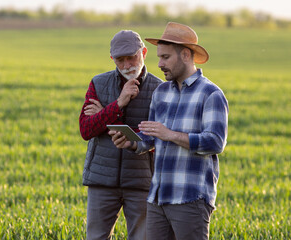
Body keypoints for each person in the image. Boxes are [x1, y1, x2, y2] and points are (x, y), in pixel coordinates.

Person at [110, 22, 229, 240]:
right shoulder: (161, 92)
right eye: (159, 57)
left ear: (185, 55)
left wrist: (170, 135)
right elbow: (152, 137)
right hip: (157, 197)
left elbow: (215, 142)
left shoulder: (211, 94)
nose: (159, 64)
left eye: (165, 57)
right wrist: (132, 143)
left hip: (190, 198)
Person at [79, 30, 163, 240]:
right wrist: (119, 103)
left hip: (142, 181)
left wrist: (103, 115)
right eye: (120, 60)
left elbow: (156, 134)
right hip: (101, 180)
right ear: (112, 59)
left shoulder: (160, 89)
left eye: (131, 57)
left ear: (144, 52)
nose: (127, 65)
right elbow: (86, 130)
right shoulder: (98, 83)